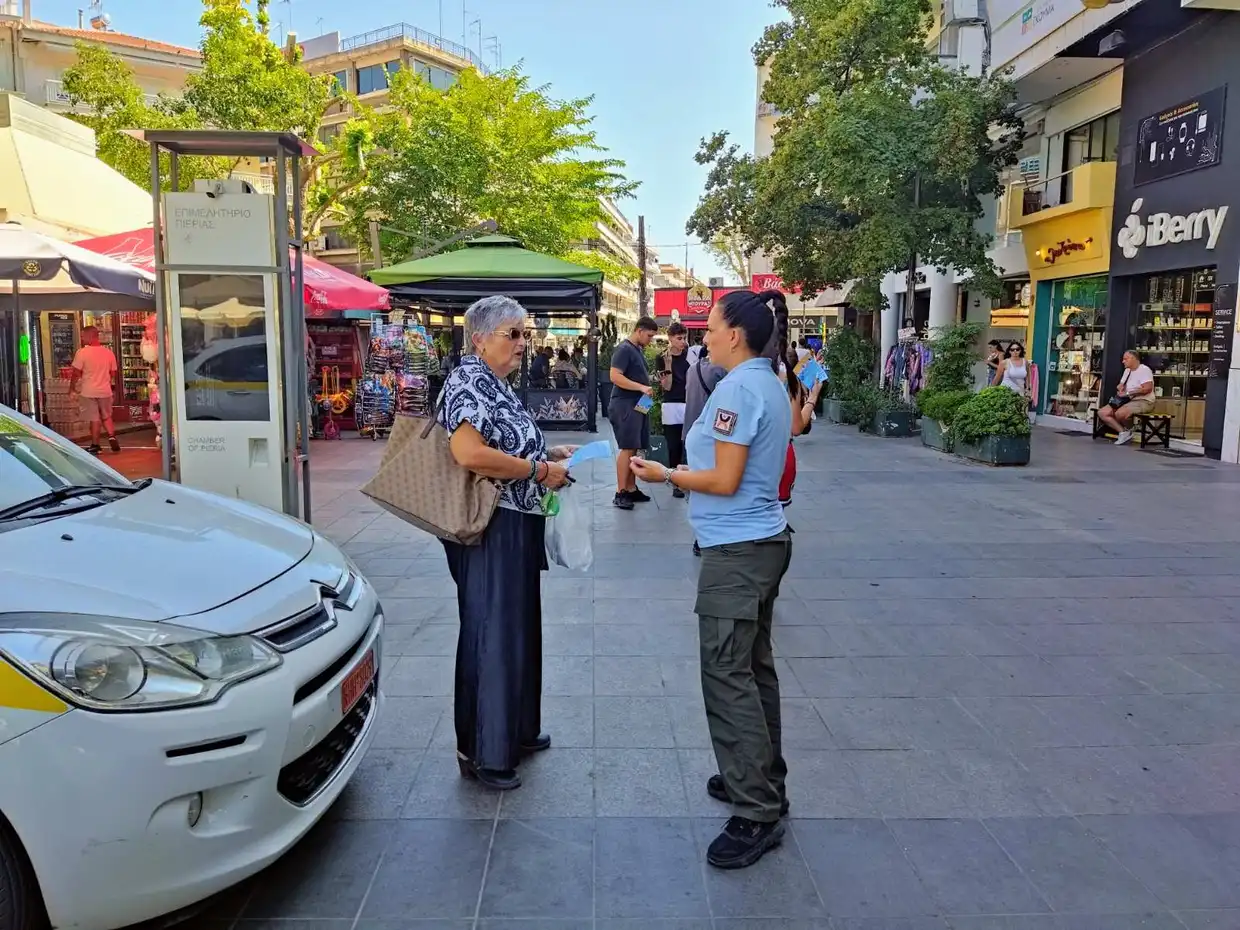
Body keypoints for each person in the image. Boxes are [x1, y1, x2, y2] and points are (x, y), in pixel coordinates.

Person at [631, 288, 794, 871]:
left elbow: (724, 480)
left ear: (735, 335)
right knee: (752, 668)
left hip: (738, 550)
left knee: (727, 673)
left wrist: (667, 474)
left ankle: (756, 811)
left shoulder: (739, 388)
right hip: (762, 540)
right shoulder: (766, 381)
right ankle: (759, 778)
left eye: (712, 327)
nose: (705, 336)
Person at [437, 296, 574, 791]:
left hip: (514, 522)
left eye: (525, 334)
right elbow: (470, 453)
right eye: (512, 334)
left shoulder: (495, 383)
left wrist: (546, 452)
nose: (522, 343)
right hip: (488, 526)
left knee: (516, 628)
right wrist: (538, 470)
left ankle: (515, 730)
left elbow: (504, 443)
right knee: (491, 632)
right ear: (479, 339)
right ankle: (484, 750)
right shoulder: (468, 381)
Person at [608, 316, 658, 510]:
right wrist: (641, 387)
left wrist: (649, 383)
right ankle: (620, 491)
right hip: (625, 404)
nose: (650, 340)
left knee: (635, 446)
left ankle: (631, 488)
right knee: (628, 447)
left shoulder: (636, 349)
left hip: (639, 403)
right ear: (639, 330)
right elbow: (614, 376)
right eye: (649, 336)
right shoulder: (624, 349)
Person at [684, 343, 728, 557]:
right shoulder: (722, 372)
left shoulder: (691, 369)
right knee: (712, 485)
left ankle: (700, 536)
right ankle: (707, 538)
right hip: (712, 433)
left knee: (698, 484)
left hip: (692, 430)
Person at [69, 325, 119, 455]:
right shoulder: (108, 353)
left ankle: (96, 445)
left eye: (83, 336)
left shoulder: (82, 353)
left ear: (90, 336)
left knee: (94, 418)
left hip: (89, 391)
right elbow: (113, 373)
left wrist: (72, 388)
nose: (82, 338)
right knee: (106, 416)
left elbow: (76, 373)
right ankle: (111, 436)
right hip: (105, 390)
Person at [659, 322, 692, 497]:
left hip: (689, 403)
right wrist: (668, 365)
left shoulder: (689, 356)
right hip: (671, 404)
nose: (682, 342)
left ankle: (690, 480)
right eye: (679, 338)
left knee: (689, 443)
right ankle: (675, 482)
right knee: (674, 445)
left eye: (684, 338)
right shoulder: (662, 358)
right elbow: (667, 387)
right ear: (670, 338)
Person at [1097, 349, 1156, 446]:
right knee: (1102, 413)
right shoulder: (1127, 371)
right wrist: (1120, 387)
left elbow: (1147, 389)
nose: (1123, 361)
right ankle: (1124, 432)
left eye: (1126, 359)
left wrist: (1128, 393)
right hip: (1127, 400)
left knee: (1119, 414)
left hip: (1143, 400)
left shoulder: (1144, 370)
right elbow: (1122, 385)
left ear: (1133, 358)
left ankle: (1131, 428)